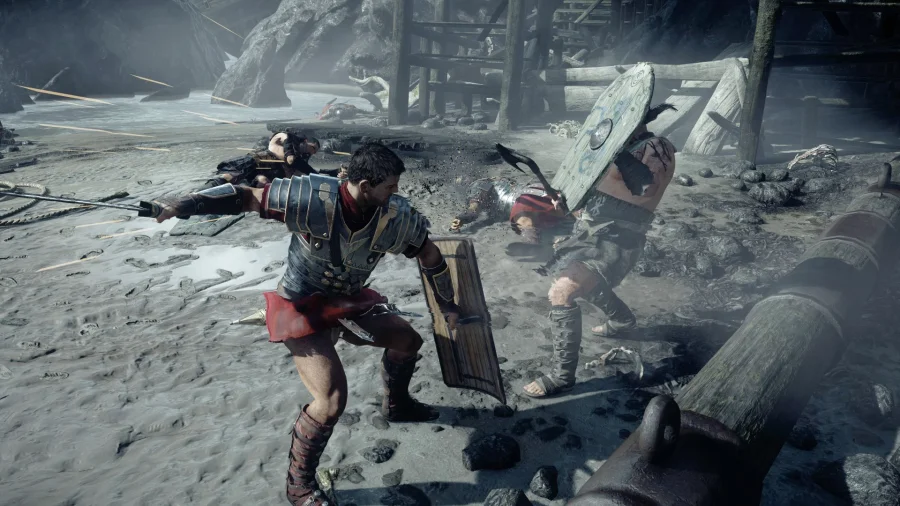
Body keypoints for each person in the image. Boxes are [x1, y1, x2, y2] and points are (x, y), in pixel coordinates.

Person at [146, 143, 461, 505]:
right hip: (300, 305)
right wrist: (183, 205)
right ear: (364, 184)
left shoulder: (395, 216)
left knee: (408, 341)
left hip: (348, 300)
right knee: (331, 400)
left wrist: (447, 304)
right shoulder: (313, 197)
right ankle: (299, 485)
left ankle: (398, 405)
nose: (395, 193)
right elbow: (246, 196)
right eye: (389, 186)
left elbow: (430, 254)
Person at [522, 103, 678, 398]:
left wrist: (613, 155)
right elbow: (598, 189)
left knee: (562, 291)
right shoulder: (620, 146)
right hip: (591, 233)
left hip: (617, 239)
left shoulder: (656, 147)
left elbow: (645, 189)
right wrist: (569, 201)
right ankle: (622, 320)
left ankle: (562, 377)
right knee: (575, 280)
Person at [451, 177, 568, 244]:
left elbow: (473, 210)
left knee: (526, 227)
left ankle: (541, 247)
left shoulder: (476, 187)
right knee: (562, 211)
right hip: (537, 190)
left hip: (521, 203)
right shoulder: (494, 180)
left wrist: (461, 218)